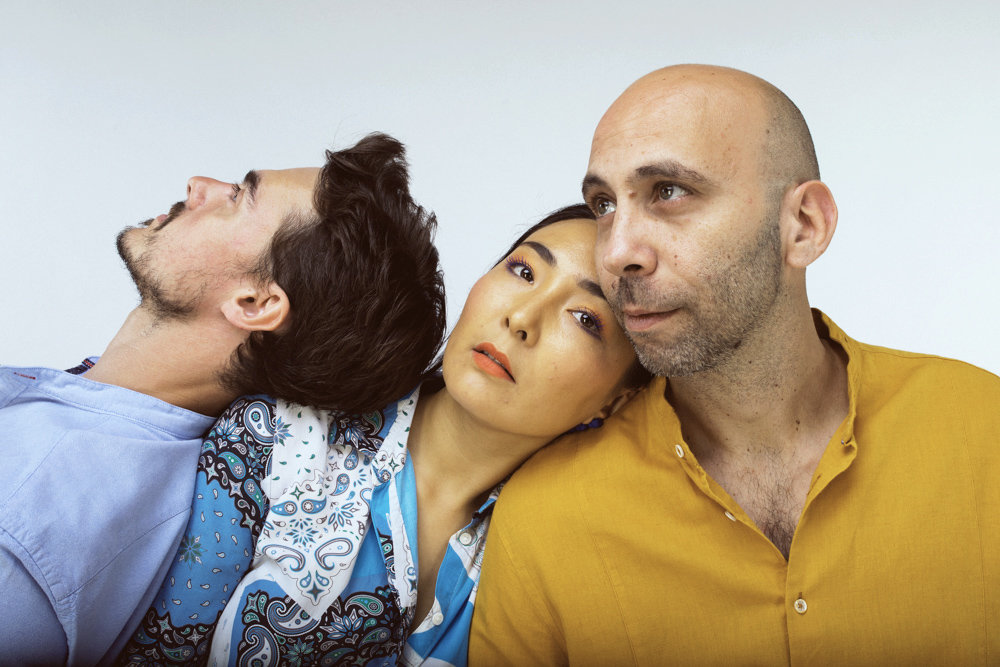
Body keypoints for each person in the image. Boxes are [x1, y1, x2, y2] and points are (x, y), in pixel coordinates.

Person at [470, 65, 1000, 664]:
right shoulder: (546, 520)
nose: (616, 253)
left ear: (804, 225)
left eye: (669, 191)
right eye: (605, 205)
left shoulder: (984, 430)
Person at [114, 205, 649, 665]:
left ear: (618, 398)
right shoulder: (279, 433)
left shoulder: (560, 557)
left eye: (585, 318)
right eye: (523, 270)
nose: (522, 317)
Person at [0, 133, 446, 666]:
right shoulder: (152, 455)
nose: (199, 186)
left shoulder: (40, 501)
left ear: (255, 303)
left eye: (238, 196)